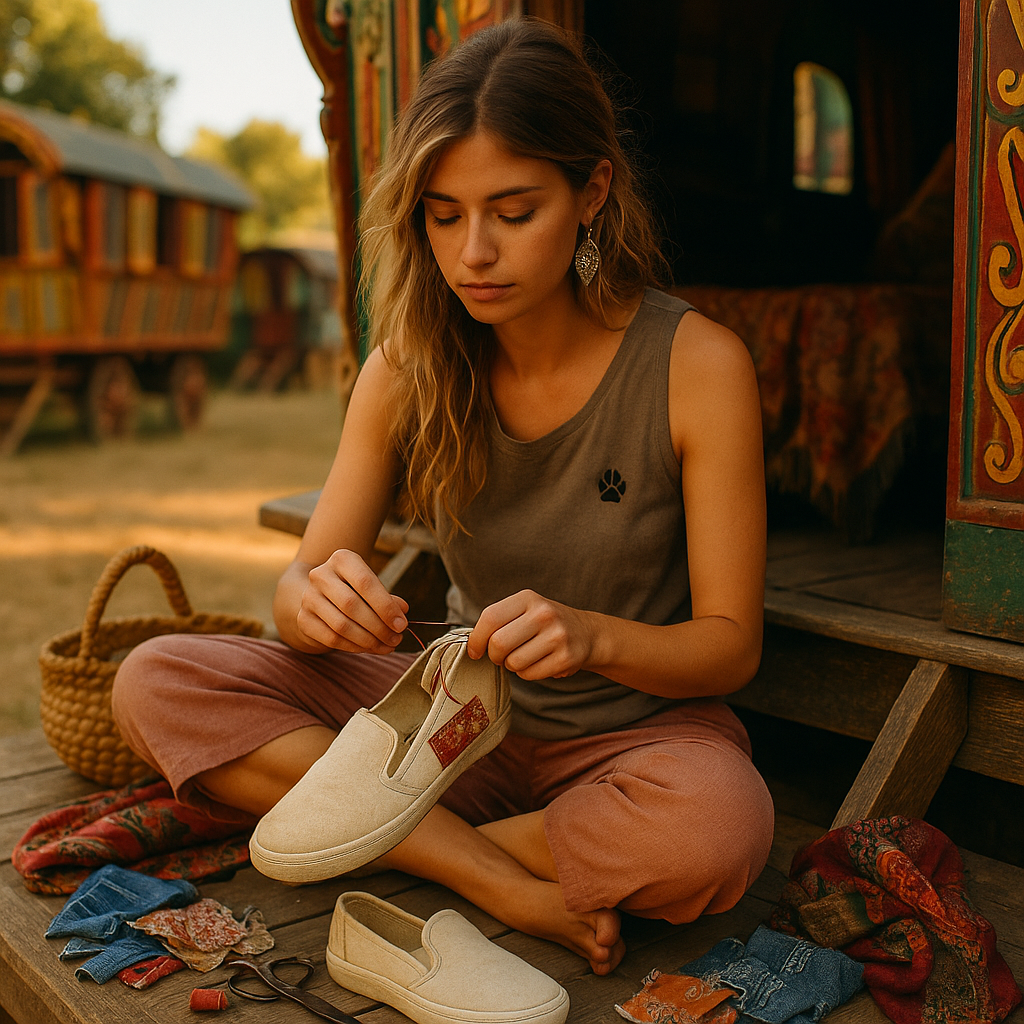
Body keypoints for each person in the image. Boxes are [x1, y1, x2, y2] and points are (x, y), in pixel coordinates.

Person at [112, 18, 773, 977]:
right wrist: (319, 602)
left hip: (632, 738)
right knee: (156, 679)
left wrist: (592, 636)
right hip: (446, 724)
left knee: (719, 829)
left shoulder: (696, 365)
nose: (473, 254)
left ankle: (370, 840)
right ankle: (489, 877)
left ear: (591, 193)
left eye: (513, 212)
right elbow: (298, 595)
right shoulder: (407, 365)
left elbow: (730, 644)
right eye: (443, 213)